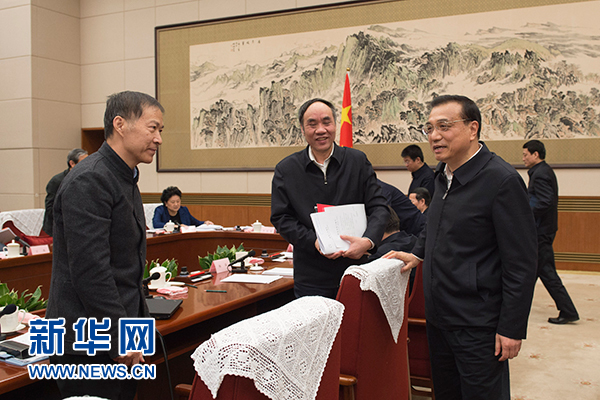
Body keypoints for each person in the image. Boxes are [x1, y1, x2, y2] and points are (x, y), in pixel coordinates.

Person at [385, 95, 537, 400]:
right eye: (429, 128)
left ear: (472, 129)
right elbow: (435, 224)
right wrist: (417, 252)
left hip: (478, 322)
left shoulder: (501, 180)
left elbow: (522, 262)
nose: (434, 136)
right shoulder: (443, 174)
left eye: (444, 126)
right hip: (439, 317)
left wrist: (511, 327)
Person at [46, 91, 164, 400]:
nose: (158, 139)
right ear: (120, 124)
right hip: (88, 340)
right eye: (152, 128)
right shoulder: (90, 179)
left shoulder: (124, 175)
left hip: (118, 330)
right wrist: (120, 337)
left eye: (160, 130)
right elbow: (91, 272)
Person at [271, 98, 389, 299]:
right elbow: (281, 218)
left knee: (355, 320)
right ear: (302, 129)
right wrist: (314, 242)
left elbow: (379, 207)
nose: (321, 130)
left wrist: (368, 241)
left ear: (335, 125)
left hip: (357, 271)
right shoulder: (286, 169)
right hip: (311, 276)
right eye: (312, 124)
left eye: (326, 122)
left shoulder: (357, 161)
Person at [523, 139, 579, 324]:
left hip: (541, 231)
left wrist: (526, 215)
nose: (523, 158)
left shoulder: (541, 174)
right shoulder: (541, 171)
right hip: (543, 229)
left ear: (535, 154)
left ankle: (568, 310)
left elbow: (545, 201)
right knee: (533, 270)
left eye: (525, 155)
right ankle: (518, 307)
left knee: (546, 272)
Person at [42, 148, 88, 236]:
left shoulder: (86, 179)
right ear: (72, 163)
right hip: (57, 228)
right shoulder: (57, 181)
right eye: (83, 162)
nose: (87, 165)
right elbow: (50, 208)